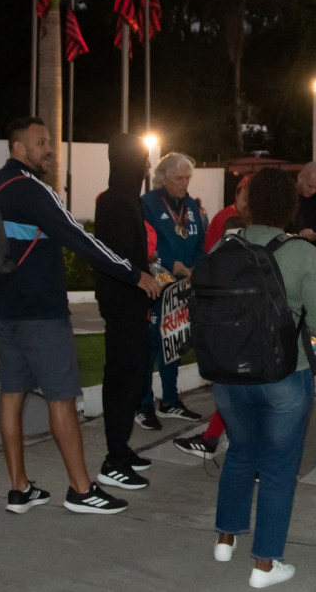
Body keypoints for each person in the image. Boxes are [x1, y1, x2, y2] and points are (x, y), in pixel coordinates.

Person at [0, 117, 160, 515]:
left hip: (2, 308)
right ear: (18, 149)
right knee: (62, 398)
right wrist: (135, 275)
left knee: (12, 395)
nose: (49, 148)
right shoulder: (32, 190)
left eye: (49, 141)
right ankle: (82, 490)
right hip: (40, 312)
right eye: (41, 142)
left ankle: (19, 489)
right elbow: (81, 240)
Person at [210, 168, 316, 588]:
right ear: (290, 205)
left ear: (249, 203)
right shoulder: (302, 253)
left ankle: (225, 538)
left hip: (229, 374)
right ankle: (265, 564)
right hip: (286, 374)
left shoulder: (226, 246)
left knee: (241, 451)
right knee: (280, 468)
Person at [93, 133, 159, 491]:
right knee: (123, 382)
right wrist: (139, 275)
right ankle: (113, 460)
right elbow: (112, 257)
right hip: (122, 306)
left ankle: (121, 448)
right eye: (144, 159)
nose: (148, 166)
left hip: (130, 304)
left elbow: (124, 252)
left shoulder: (125, 199)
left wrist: (143, 265)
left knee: (133, 379)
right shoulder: (117, 201)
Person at [173, 175, 254, 460]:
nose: (251, 199)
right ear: (239, 192)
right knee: (234, 382)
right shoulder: (226, 219)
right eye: (247, 193)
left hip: (237, 315)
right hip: (227, 314)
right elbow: (212, 262)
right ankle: (218, 439)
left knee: (234, 383)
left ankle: (216, 439)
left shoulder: (248, 219)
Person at [137, 152, 208, 430]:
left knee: (174, 342)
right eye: (179, 177)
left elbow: (200, 244)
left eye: (188, 177)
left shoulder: (192, 206)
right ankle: (143, 405)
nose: (184, 182)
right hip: (156, 285)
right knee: (151, 345)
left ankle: (169, 400)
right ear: (163, 177)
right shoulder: (147, 205)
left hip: (182, 287)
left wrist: (196, 269)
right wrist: (171, 265)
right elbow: (145, 245)